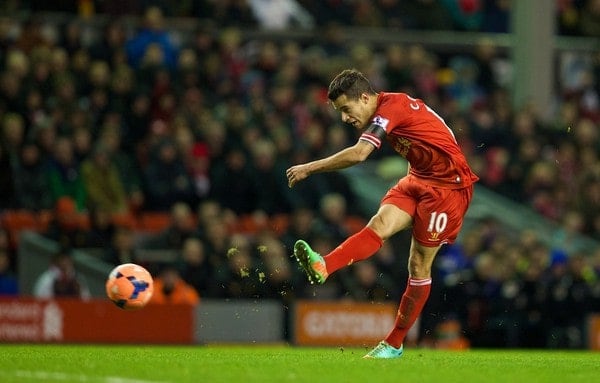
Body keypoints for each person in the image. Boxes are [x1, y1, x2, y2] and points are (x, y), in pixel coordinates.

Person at [286, 68, 479, 359]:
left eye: (346, 109)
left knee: (418, 265)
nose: (344, 118)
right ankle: (324, 266)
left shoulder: (391, 109)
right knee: (379, 225)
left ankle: (394, 343)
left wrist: (308, 167)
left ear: (365, 97)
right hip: (418, 178)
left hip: (447, 190)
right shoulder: (387, 109)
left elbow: (360, 154)